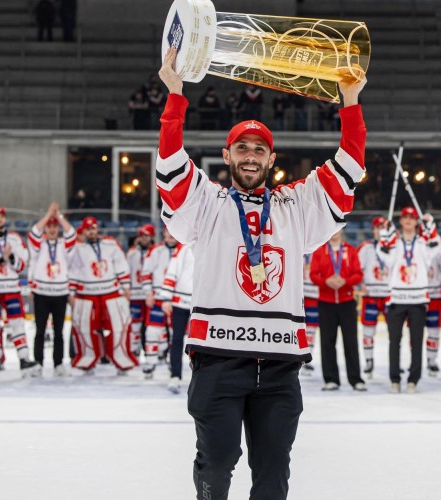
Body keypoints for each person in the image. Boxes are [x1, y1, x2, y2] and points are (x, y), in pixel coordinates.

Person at [156, 47, 366, 499]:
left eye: (260, 149)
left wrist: (349, 105)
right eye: (243, 148)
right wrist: (176, 96)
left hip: (279, 366)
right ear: (227, 154)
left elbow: (348, 171)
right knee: (216, 463)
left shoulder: (295, 206)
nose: (251, 155)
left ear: (272, 160)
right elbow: (172, 171)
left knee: (273, 474)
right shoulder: (207, 203)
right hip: (218, 361)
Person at [376, 207, 441, 393]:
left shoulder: (422, 243)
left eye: (412, 218)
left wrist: (431, 226)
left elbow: (435, 248)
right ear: (401, 221)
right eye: (405, 217)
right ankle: (395, 379)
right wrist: (385, 232)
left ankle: (413, 379)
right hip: (397, 298)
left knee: (416, 341)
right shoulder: (394, 243)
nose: (408, 221)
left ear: (416, 222)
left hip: (418, 299)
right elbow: (383, 254)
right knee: (394, 341)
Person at [67, 216, 137, 372]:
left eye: (93, 228)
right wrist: (71, 292)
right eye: (87, 229)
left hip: (110, 292)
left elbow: (120, 264)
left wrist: (126, 287)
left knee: (120, 325)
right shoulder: (78, 248)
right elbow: (73, 269)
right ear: (83, 231)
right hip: (86, 293)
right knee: (83, 327)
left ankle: (122, 360)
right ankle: (87, 360)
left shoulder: (110, 244)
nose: (91, 231)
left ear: (97, 229)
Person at [0, 206, 40, 375]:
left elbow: (22, 264)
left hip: (11, 287)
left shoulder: (15, 238)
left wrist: (10, 257)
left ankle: (24, 358)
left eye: (1, 216)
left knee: (17, 323)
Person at [309, 231, 365, 391]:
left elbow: (358, 274)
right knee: (327, 342)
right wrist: (326, 281)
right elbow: (313, 274)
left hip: (347, 302)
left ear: (341, 230)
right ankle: (331, 379)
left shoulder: (350, 250)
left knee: (351, 342)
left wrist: (345, 281)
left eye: (337, 230)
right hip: (326, 302)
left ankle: (355, 379)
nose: (335, 233)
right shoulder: (320, 251)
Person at [27, 203, 76, 376]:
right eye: (49, 226)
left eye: (55, 226)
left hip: (60, 293)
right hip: (41, 292)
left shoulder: (64, 245)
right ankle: (38, 362)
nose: (52, 229)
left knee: (59, 331)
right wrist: (48, 214)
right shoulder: (38, 245)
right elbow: (33, 231)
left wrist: (59, 216)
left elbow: (72, 233)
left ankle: (58, 363)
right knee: (40, 330)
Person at [140, 227, 179, 378]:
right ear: (163, 233)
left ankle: (171, 361)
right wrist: (148, 293)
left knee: (175, 333)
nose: (170, 236)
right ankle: (150, 363)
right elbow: (146, 273)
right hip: (158, 296)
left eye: (172, 233)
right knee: (152, 331)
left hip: (177, 298)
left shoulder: (185, 250)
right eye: (167, 233)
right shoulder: (155, 251)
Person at [357, 216, 391, 378]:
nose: (380, 231)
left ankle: (394, 362)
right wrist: (360, 284)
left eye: (383, 227)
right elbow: (357, 269)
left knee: (394, 332)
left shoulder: (394, 246)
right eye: (377, 228)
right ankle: (369, 361)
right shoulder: (365, 248)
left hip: (389, 296)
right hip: (371, 295)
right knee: (368, 330)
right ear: (373, 230)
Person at [162, 243, 194, 393]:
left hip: (201, 301)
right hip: (180, 300)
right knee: (177, 339)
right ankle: (175, 375)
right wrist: (166, 298)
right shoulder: (182, 247)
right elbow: (172, 271)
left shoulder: (211, 242)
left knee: (200, 341)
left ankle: (200, 375)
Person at [126, 224, 154, 356]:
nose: (144, 238)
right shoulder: (132, 253)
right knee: (135, 324)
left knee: (152, 325)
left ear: (151, 236)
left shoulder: (156, 251)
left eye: (146, 235)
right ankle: (134, 349)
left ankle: (152, 350)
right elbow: (127, 271)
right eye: (141, 235)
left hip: (150, 295)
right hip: (135, 294)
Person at [425, 232, 441, 376]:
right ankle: (416, 361)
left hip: (435, 296)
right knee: (416, 332)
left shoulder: (439, 248)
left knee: (434, 331)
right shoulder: (416, 245)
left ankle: (432, 360)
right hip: (418, 296)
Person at [300, 253, 318, 376]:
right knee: (298, 327)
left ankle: (307, 357)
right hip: (298, 294)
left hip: (314, 293)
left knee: (311, 328)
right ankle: (298, 355)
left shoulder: (319, 247)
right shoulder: (296, 243)